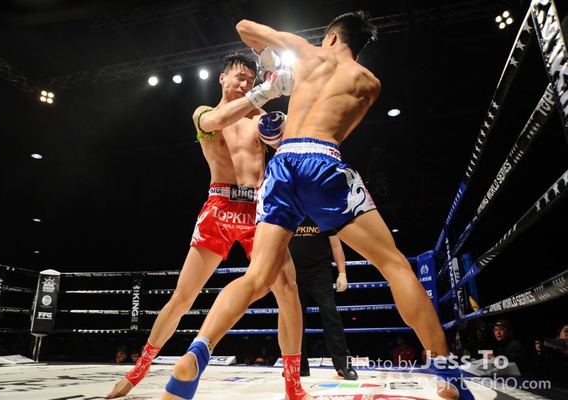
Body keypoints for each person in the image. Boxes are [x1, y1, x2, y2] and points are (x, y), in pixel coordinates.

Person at [163, 10, 474, 400]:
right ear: (357, 45)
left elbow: (244, 28)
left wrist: (268, 59)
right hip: (322, 158)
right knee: (394, 264)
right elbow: (337, 128)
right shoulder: (369, 83)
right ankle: (447, 374)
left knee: (256, 277)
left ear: (331, 37)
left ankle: (198, 350)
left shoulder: (305, 52)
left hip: (282, 165)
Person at [106, 53, 298, 398]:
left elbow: (288, 154)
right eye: (239, 77)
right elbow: (215, 121)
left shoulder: (261, 118)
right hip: (219, 206)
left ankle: (293, 386)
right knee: (183, 297)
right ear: (222, 79)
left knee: (288, 290)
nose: (245, 84)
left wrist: (280, 135)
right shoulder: (204, 112)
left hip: (259, 209)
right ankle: (138, 371)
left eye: (251, 80)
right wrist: (266, 91)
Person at [288, 216, 357, 379]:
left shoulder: (320, 214)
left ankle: (344, 365)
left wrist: (342, 273)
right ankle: (299, 366)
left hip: (319, 275)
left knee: (330, 313)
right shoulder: (289, 215)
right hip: (293, 275)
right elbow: (277, 245)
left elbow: (336, 245)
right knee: (294, 320)